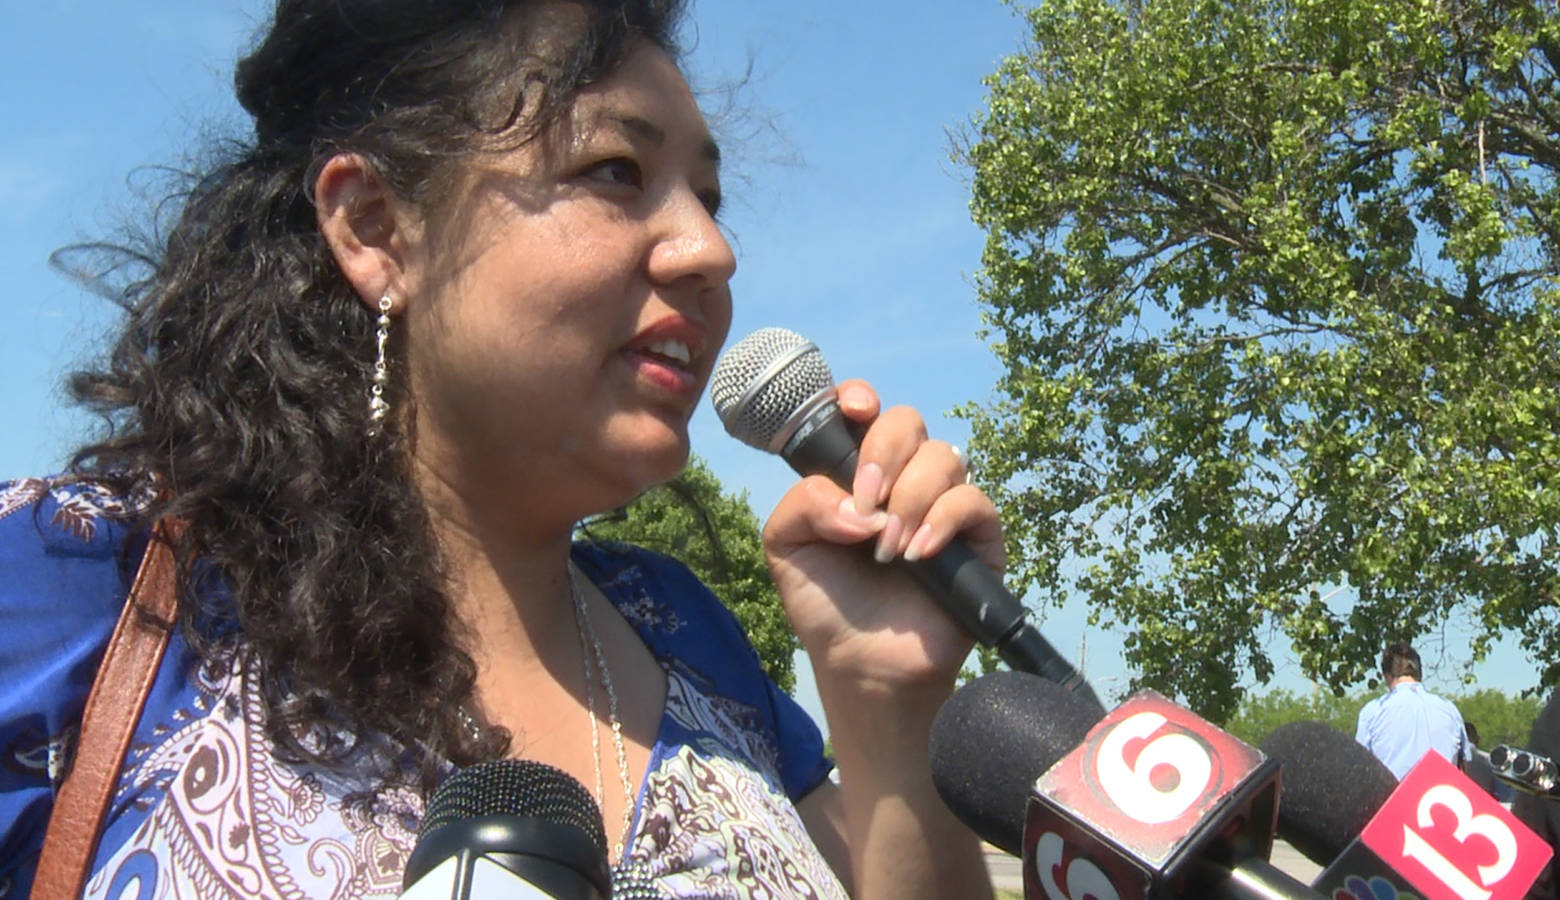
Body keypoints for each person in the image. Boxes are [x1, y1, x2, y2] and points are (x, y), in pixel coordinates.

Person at [0, 1, 997, 897]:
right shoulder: (83, 580)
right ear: (377, 227)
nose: (710, 248)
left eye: (709, 196)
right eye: (615, 170)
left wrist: (885, 710)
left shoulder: (694, 639)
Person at [1354, 643, 1471, 780]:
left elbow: (1359, 769)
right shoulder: (1450, 710)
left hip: (1394, 798)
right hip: (1440, 796)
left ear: (1386, 676)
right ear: (1419, 674)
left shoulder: (1372, 712)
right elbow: (1463, 767)